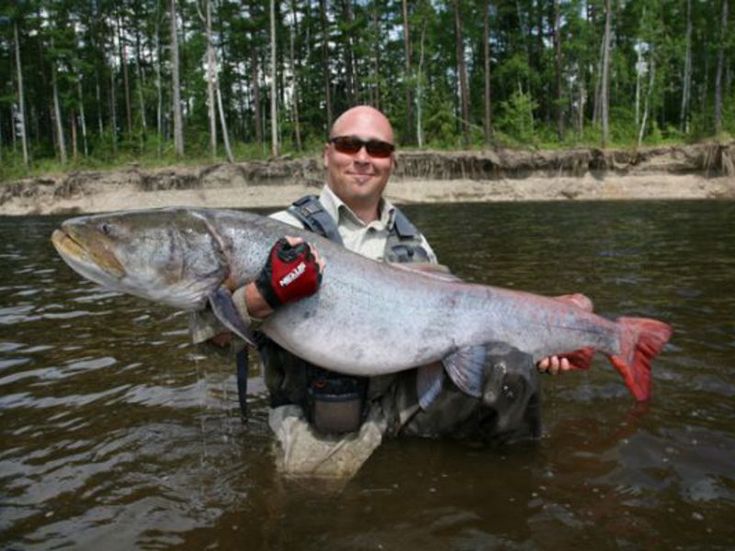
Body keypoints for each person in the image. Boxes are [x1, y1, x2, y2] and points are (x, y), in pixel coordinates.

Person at [194, 105, 571, 478]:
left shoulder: (415, 245)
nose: (362, 158)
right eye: (348, 145)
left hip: (405, 403)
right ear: (327, 154)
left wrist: (534, 344)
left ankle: (513, 492)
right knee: (310, 508)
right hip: (318, 418)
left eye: (377, 149)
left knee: (514, 374)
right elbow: (210, 339)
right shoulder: (275, 236)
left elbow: (458, 331)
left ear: (391, 161)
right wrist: (262, 297)